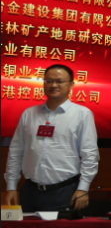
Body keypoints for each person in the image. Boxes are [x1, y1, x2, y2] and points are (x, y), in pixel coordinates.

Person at [4, 64, 97, 212]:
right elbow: (16, 151)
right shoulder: (29, 113)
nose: (53, 85)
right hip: (30, 191)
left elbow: (89, 154)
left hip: (65, 191)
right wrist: (11, 186)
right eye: (49, 81)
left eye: (59, 81)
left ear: (71, 85)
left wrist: (83, 188)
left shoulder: (82, 114)